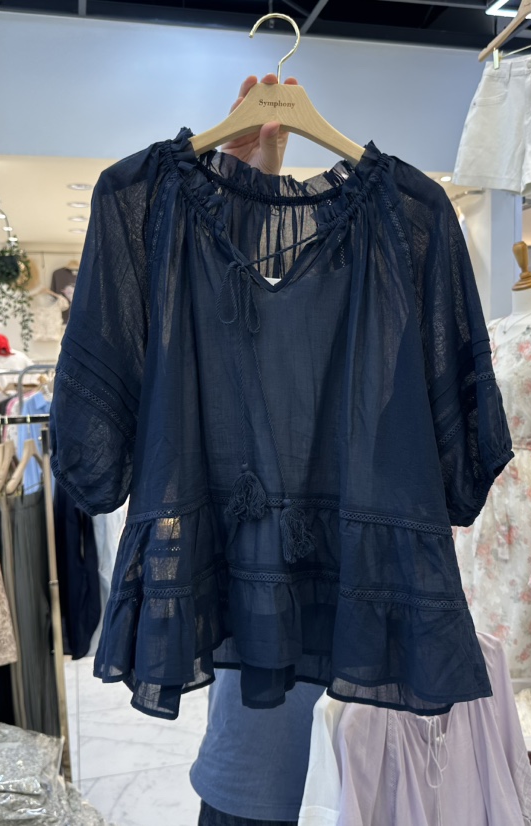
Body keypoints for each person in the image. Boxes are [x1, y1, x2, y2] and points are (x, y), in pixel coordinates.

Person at [188, 74, 325, 826]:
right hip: (270, 720)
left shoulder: (405, 235)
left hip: (364, 721)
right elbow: (227, 318)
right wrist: (247, 186)